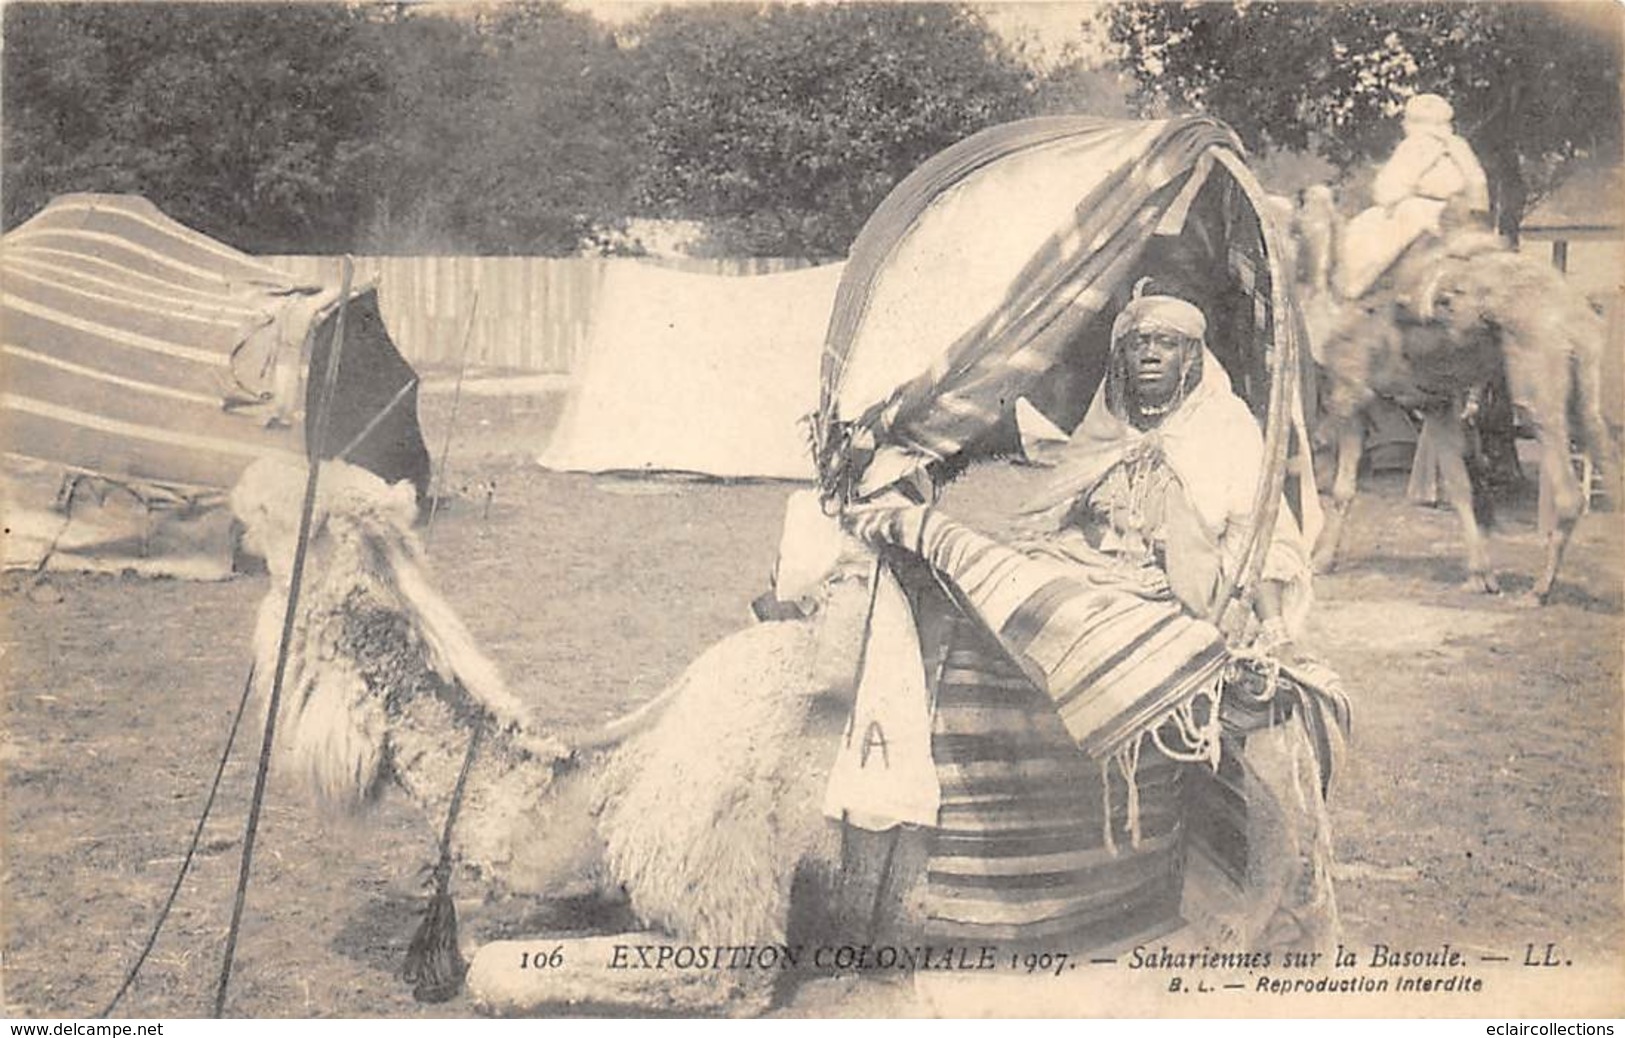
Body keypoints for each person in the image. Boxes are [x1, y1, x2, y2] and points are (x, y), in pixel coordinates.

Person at [834, 292, 1342, 957]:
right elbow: (1050, 512)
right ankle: (1015, 869)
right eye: (1137, 345)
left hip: (1184, 593)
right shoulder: (1103, 431)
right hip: (1091, 579)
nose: (1150, 355)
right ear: (1120, 358)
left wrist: (1260, 615)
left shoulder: (1227, 430)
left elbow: (1264, 537)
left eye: (1166, 344)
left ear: (1194, 357)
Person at [1336, 92, 1491, 300]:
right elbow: (1478, 183)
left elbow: (1387, 190)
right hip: (1462, 214)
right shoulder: (1459, 146)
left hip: (1424, 212)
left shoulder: (1416, 145)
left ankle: (1357, 285)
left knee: (1367, 229)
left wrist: (1392, 199)